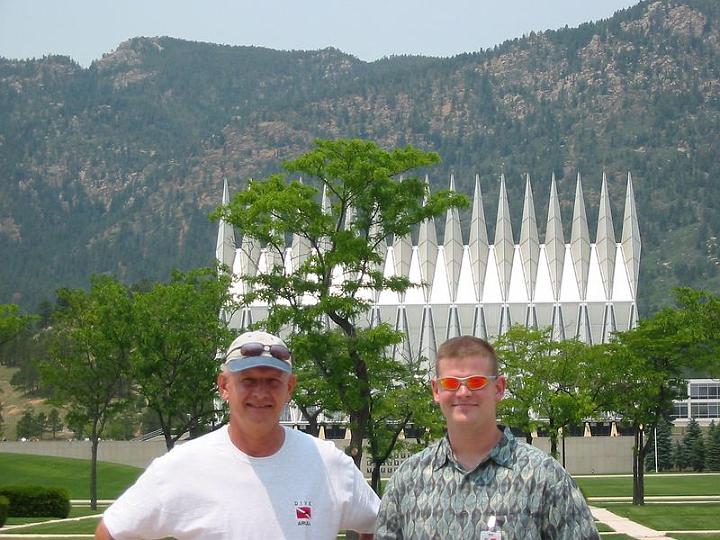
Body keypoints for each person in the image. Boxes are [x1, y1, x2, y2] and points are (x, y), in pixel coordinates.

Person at [96, 330, 379, 540]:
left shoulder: (329, 464)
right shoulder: (181, 466)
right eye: (248, 381)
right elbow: (111, 532)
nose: (260, 393)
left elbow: (377, 523)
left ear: (289, 388)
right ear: (224, 386)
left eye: (272, 382)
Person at [375, 335, 599, 540]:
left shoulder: (543, 478)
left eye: (476, 382)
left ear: (499, 388)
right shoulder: (406, 481)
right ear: (436, 390)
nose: (463, 392)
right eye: (452, 383)